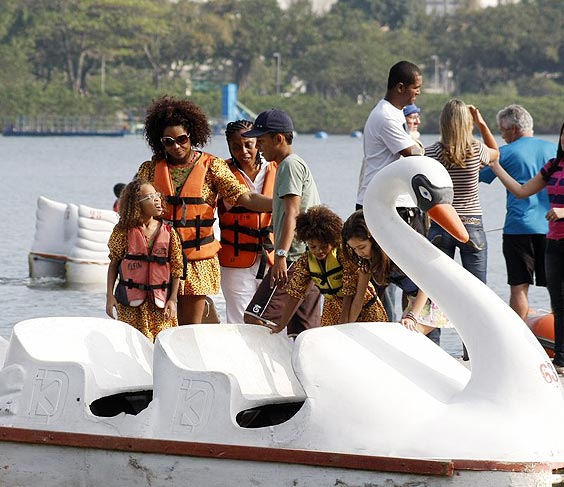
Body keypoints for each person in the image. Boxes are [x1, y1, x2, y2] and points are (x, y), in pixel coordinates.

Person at [136, 96, 272, 325]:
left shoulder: (213, 166)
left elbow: (244, 197)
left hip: (197, 261)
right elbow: (134, 207)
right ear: (160, 142)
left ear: (192, 135)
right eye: (168, 141)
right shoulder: (149, 169)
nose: (176, 146)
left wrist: (280, 204)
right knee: (159, 326)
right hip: (159, 258)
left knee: (190, 328)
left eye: (181, 139)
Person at [488, 123, 564, 372]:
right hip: (552, 242)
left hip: (548, 235)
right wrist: (496, 167)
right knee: (557, 299)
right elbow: (521, 191)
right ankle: (560, 358)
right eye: (563, 135)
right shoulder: (552, 166)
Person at [242, 109, 322, 337]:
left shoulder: (288, 165)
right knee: (303, 334)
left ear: (279, 139)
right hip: (312, 259)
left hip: (295, 258)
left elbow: (292, 213)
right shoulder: (293, 164)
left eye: (261, 141)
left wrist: (280, 256)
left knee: (255, 318)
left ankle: (262, 370)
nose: (258, 148)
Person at [356, 60, 425, 321]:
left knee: (393, 275)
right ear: (400, 87)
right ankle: (388, 327)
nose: (417, 93)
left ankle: (407, 327)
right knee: (389, 274)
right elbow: (413, 153)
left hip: (388, 201)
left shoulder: (395, 113)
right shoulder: (386, 115)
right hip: (383, 205)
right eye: (415, 89)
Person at [480, 105, 556, 320]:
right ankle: (558, 340)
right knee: (555, 288)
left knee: (519, 287)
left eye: (502, 131)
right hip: (551, 227)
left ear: (512, 129)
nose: (502, 136)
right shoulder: (554, 151)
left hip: (519, 229)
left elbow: (473, 175)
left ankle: (519, 341)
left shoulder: (505, 152)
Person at [269, 206, 387, 333]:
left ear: (333, 240)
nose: (319, 251)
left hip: (362, 307)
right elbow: (295, 294)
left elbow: (349, 292)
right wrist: (281, 325)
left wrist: (344, 325)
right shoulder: (305, 261)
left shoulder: (344, 253)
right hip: (332, 309)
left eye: (324, 246)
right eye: (313, 246)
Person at [342, 210, 449, 343]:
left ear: (374, 239)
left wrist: (412, 316)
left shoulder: (400, 250)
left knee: (408, 338)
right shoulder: (367, 263)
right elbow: (359, 299)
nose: (359, 253)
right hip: (416, 298)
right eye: (354, 249)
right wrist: (348, 328)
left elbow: (427, 282)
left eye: (361, 247)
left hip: (439, 293)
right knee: (405, 337)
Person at [425, 100, 498, 285]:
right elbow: (496, 153)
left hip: (441, 223)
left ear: (443, 123)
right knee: (478, 290)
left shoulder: (432, 153)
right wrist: (481, 123)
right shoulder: (476, 150)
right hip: (471, 224)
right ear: (468, 123)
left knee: (437, 288)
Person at [105, 179, 183, 341]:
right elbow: (114, 264)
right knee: (131, 345)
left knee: (161, 345)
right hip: (130, 305)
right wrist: (109, 296)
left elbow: (177, 268)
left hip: (160, 304)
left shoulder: (169, 232)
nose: (156, 200)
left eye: (157, 195)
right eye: (149, 197)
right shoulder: (122, 232)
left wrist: (173, 300)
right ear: (136, 204)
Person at [218, 120, 277, 323]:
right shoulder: (222, 174)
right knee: (238, 320)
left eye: (248, 145)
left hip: (271, 258)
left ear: (258, 143)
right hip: (235, 261)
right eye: (235, 146)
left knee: (271, 320)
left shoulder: (276, 169)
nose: (243, 151)